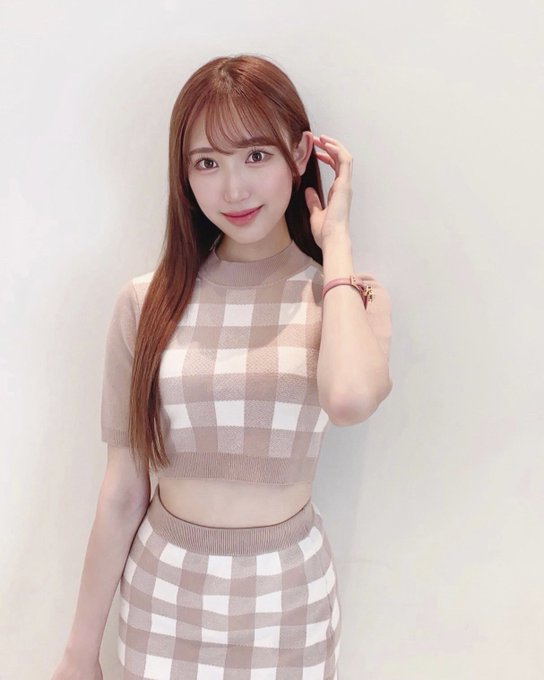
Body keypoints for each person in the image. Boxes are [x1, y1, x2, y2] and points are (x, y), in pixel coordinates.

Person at [51, 53, 393, 680]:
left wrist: (336, 242)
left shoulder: (346, 298)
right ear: (184, 176)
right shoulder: (146, 303)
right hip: (163, 595)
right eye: (207, 163)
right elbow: (123, 490)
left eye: (256, 156)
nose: (233, 190)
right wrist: (79, 652)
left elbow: (348, 399)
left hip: (288, 601)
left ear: (300, 154)